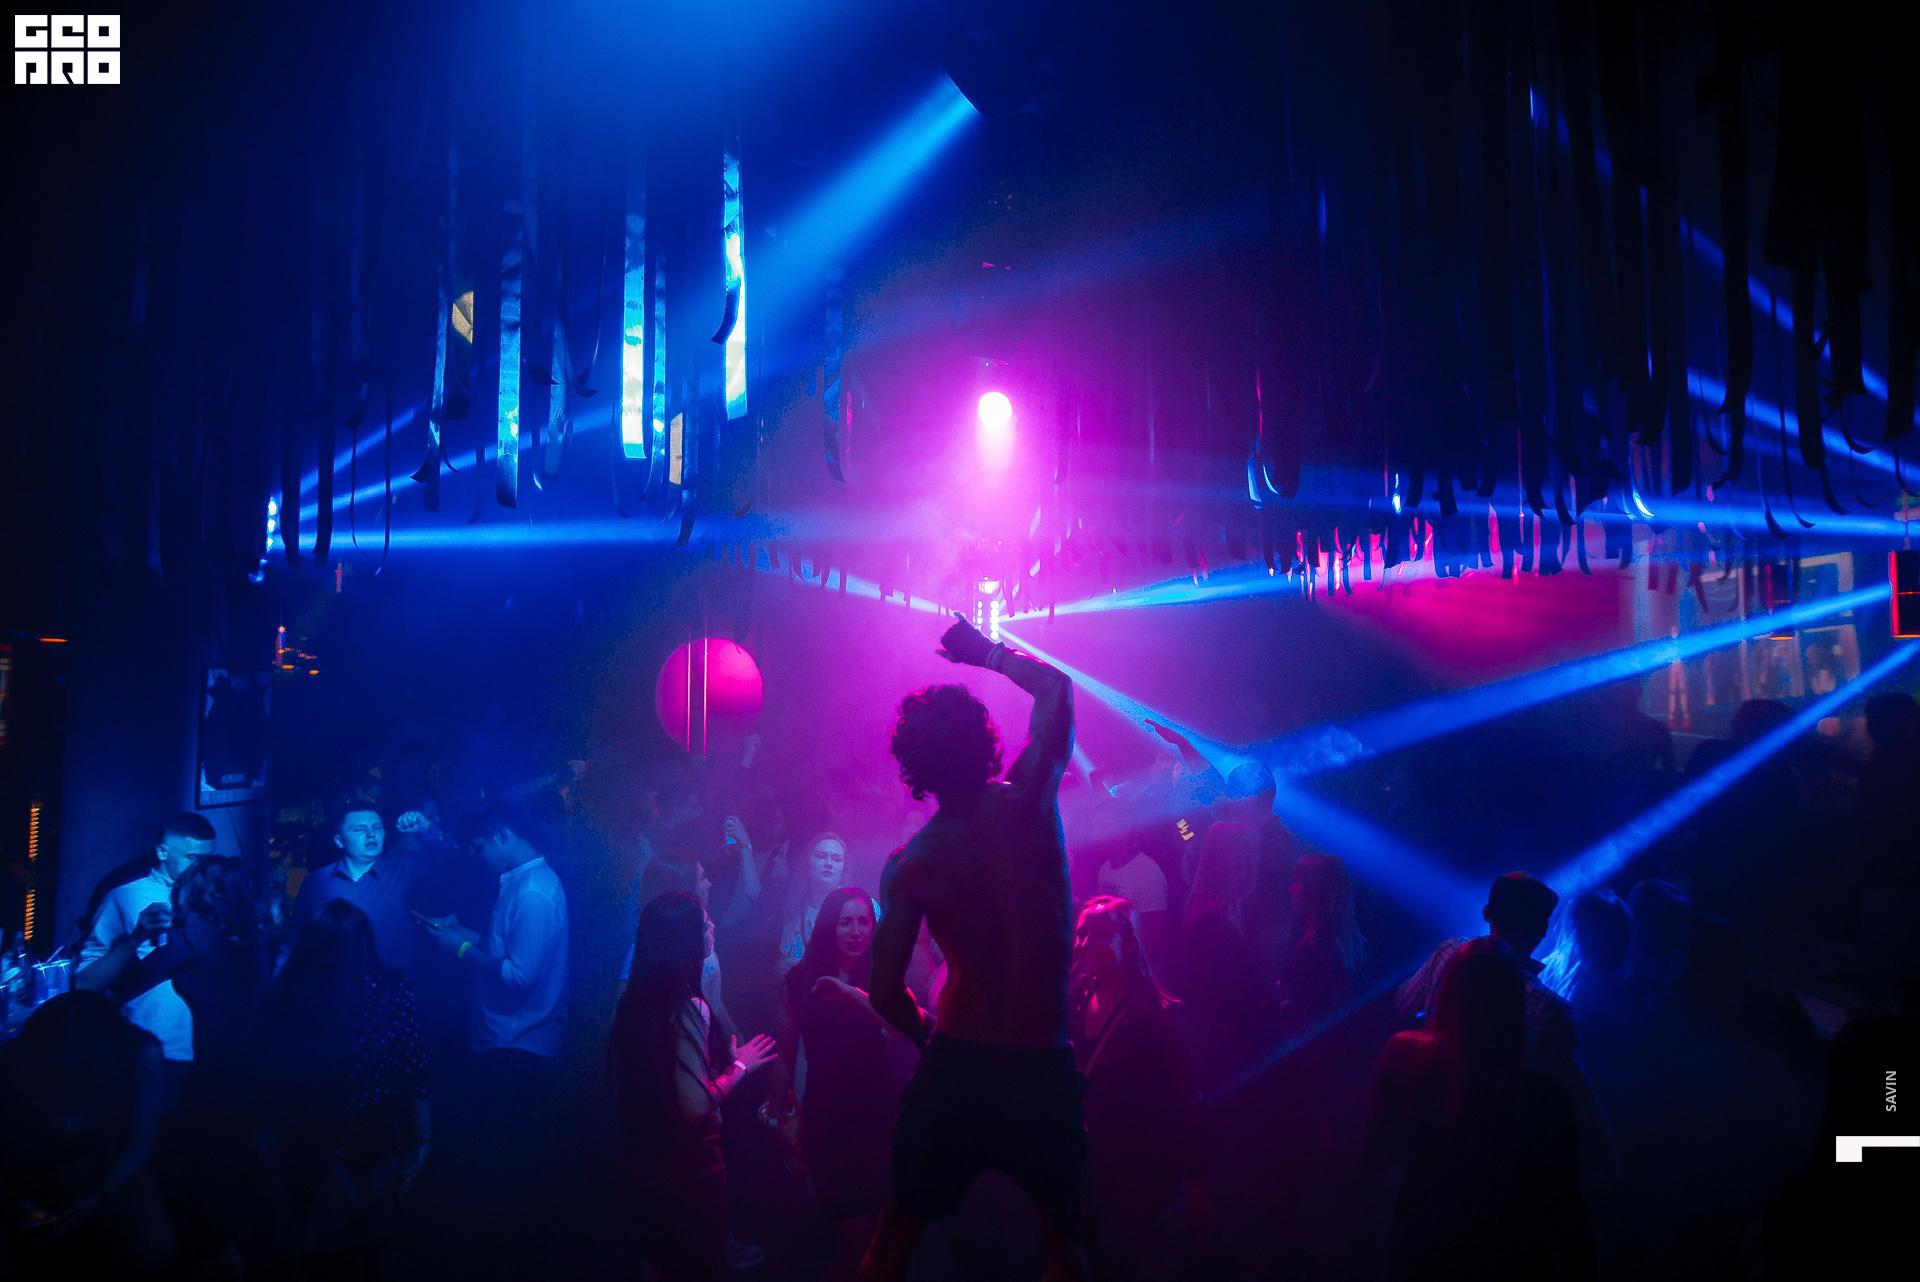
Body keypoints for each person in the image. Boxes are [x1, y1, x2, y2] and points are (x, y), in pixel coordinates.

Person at [862, 614, 1086, 1282]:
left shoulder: (913, 862)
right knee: (1065, 1247)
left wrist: (928, 1037)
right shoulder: (1030, 799)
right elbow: (1055, 688)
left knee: (893, 1244)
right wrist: (985, 653)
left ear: (914, 766)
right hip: (1040, 1062)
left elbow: (883, 992)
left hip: (959, 1064)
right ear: (985, 739)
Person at [75, 855, 274, 1275]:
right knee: (233, 1187)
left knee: (196, 1194)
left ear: (197, 891)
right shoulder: (254, 934)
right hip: (248, 1074)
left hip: (211, 1079)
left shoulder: (193, 936)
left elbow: (101, 987)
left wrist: (136, 936)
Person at [1364, 937, 1597, 1281]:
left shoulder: (1406, 1057)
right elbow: (1567, 1216)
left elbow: (1375, 1154)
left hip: (1424, 1242)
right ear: (1514, 1006)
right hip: (1508, 1256)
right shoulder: (1544, 1099)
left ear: (1448, 993)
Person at [419, 800, 570, 1270]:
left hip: (519, 1044)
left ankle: (515, 1256)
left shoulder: (535, 892)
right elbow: (504, 950)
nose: (478, 855)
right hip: (502, 1038)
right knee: (498, 1158)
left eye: (481, 845)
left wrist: (460, 948)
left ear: (503, 835)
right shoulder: (518, 883)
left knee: (511, 1162)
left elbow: (519, 976)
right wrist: (463, 931)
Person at [251, 900, 430, 1279]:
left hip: (307, 1136)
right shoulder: (392, 990)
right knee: (373, 1246)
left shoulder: (294, 992)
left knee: (319, 1246)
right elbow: (414, 1068)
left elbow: (269, 1071)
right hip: (375, 1131)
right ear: (365, 939)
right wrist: (423, 1137)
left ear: (313, 942)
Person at [1395, 872, 1612, 1181]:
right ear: (1542, 929)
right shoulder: (1550, 1010)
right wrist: (1607, 1153)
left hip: (1426, 1130)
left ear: (1486, 914)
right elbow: (1578, 1100)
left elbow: (1403, 1004)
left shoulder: (1448, 954)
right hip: (1494, 1160)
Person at [608, 891, 778, 1282]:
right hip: (689, 1168)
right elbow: (696, 1105)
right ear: (682, 941)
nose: (713, 926)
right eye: (703, 925)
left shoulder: (632, 1003)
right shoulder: (687, 1007)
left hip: (642, 1162)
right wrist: (740, 1066)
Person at [769, 886, 906, 1282]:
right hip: (829, 1119)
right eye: (846, 922)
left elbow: (906, 1029)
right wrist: (776, 1117)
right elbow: (784, 1056)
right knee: (855, 1245)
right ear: (830, 926)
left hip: (879, 1114)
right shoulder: (800, 981)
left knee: (881, 1242)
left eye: (864, 922)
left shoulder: (882, 975)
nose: (856, 931)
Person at [1068, 897, 1203, 1282]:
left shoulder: (1159, 1014)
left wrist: (1196, 1182)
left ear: (1129, 943)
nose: (1086, 943)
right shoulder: (1075, 1001)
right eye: (1082, 933)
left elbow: (1188, 1102)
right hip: (1088, 1172)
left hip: (1140, 1180)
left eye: (1101, 934)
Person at [0, 992, 174, 1276]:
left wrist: (101, 1195)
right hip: (37, 1165)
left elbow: (141, 1141)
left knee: (152, 1248)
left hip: (104, 1159)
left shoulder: (139, 1054)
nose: (67, 1064)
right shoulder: (17, 1061)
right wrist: (15, 1199)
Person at [76, 813, 214, 1092]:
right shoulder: (125, 896)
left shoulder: (215, 895)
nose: (202, 868)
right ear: (163, 852)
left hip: (210, 1049)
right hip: (154, 1049)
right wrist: (136, 937)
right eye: (192, 858)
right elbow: (85, 983)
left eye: (208, 859)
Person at [1173, 820, 1276, 1090]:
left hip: (1213, 1041)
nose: (1254, 862)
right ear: (1231, 862)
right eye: (1248, 856)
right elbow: (1229, 998)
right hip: (1224, 1050)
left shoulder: (1208, 908)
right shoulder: (1215, 922)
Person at [285, 802, 442, 972]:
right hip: (329, 986)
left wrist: (428, 829)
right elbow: (294, 940)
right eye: (359, 830)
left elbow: (455, 868)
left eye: (377, 827)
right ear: (339, 841)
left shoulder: (407, 872)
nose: (371, 834)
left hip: (388, 986)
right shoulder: (317, 881)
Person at [1279, 852, 1366, 1035]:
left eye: (1297, 881)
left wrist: (1282, 1008)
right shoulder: (1353, 946)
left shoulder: (1315, 954)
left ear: (1314, 891)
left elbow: (1316, 1024)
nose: (1291, 888)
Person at [774, 831, 850, 979]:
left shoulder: (861, 907)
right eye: (821, 856)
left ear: (844, 868)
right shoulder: (795, 907)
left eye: (836, 859)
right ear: (807, 863)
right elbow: (782, 958)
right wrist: (779, 968)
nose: (829, 864)